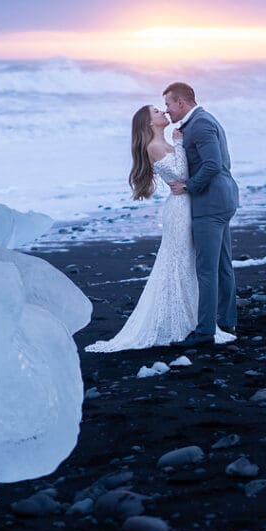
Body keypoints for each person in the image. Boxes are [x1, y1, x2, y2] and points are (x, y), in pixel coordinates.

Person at [85, 105, 234, 352]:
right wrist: (180, 146)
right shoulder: (154, 146)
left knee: (188, 263)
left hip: (188, 203)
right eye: (156, 112)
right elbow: (180, 172)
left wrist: (179, 146)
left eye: (162, 108)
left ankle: (195, 319)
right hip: (179, 209)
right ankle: (176, 321)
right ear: (149, 123)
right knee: (177, 262)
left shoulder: (168, 141)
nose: (163, 113)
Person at [162, 82, 240, 347]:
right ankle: (226, 321)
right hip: (223, 198)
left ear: (181, 103)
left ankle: (206, 331)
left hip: (211, 202)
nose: (167, 110)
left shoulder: (202, 124)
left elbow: (212, 164)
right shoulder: (199, 122)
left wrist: (188, 186)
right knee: (221, 264)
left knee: (206, 270)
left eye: (169, 105)